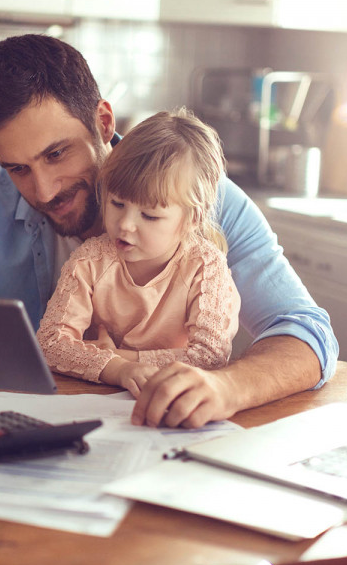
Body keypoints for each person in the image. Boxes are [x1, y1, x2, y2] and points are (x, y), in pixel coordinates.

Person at [0, 33, 338, 428]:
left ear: (103, 122)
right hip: (22, 441)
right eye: (17, 167)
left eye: (57, 154)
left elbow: (307, 333)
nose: (42, 190)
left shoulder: (195, 197)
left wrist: (228, 387)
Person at [37, 109, 241, 399]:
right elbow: (50, 343)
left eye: (149, 216)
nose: (125, 225)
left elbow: (209, 357)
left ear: (192, 218)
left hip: (177, 400)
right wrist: (118, 371)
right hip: (104, 399)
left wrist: (121, 359)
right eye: (117, 203)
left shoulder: (205, 267)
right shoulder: (89, 261)